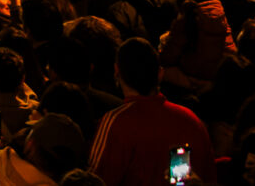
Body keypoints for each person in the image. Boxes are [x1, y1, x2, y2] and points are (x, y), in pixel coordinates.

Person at [89, 40, 214, 186]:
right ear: (160, 73)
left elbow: (96, 180)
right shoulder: (191, 120)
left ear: (117, 71)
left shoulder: (116, 122)